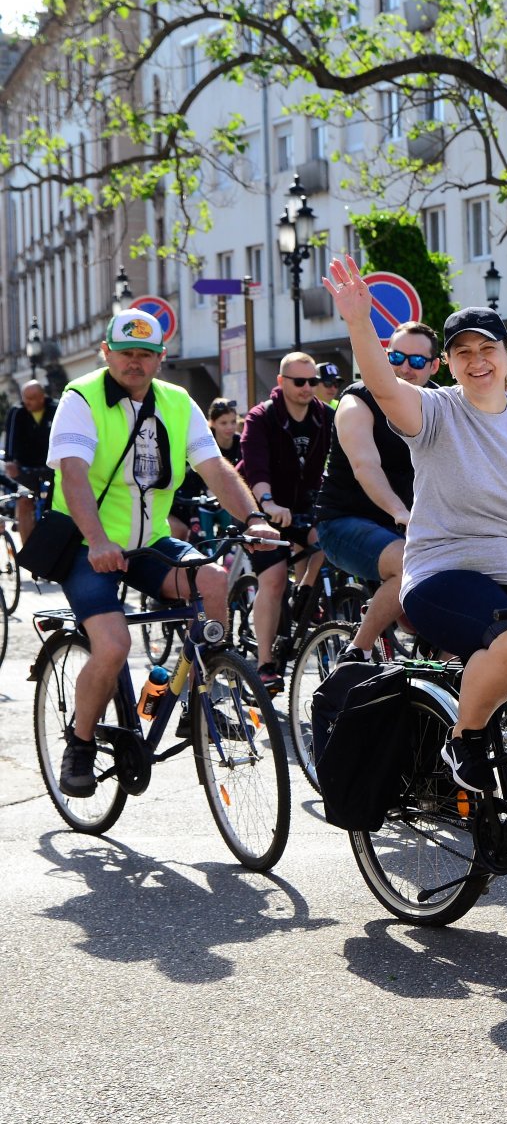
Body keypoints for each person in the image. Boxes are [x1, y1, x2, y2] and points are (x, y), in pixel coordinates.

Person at [325, 258, 507, 898]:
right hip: (442, 570)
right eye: (462, 352)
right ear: (447, 364)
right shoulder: (437, 413)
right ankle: (465, 739)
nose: (476, 360)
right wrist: (360, 323)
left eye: (487, 350)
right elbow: (381, 387)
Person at [44, 311, 278, 796]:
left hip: (149, 543)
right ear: (106, 353)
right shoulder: (80, 398)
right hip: (89, 547)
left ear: (160, 359)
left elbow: (215, 468)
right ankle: (81, 743)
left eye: (146, 354)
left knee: (213, 581)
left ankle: (203, 695)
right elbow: (72, 475)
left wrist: (252, 519)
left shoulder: (176, 401)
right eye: (126, 352)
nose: (135, 362)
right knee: (112, 646)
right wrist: (100, 540)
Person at [313, 322, 436, 660]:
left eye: (416, 361)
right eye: (396, 356)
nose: (404, 367)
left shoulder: (439, 403)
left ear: (434, 366)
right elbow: (366, 466)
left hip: (411, 528)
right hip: (344, 522)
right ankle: (357, 651)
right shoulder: (357, 400)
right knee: (409, 561)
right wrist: (398, 511)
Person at [238, 351, 334, 690]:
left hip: (302, 505)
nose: (308, 387)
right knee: (274, 578)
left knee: (327, 538)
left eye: (313, 381)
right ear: (281, 382)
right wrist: (267, 503)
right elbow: (256, 468)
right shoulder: (261, 417)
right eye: (299, 381)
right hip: (260, 505)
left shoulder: (325, 416)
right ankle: (265, 662)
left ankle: (304, 592)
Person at [170, 397, 243, 540]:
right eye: (223, 423)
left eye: (233, 422)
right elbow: (191, 473)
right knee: (195, 535)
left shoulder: (240, 443)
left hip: (227, 499)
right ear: (212, 423)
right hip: (197, 498)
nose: (230, 427)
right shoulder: (204, 442)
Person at [5, 378, 52, 542]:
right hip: (26, 469)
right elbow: (10, 438)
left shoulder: (55, 408)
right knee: (24, 501)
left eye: (31, 398)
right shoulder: (17, 411)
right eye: (25, 398)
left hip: (52, 467)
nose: (27, 402)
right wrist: (10, 461)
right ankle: (29, 552)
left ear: (41, 397)